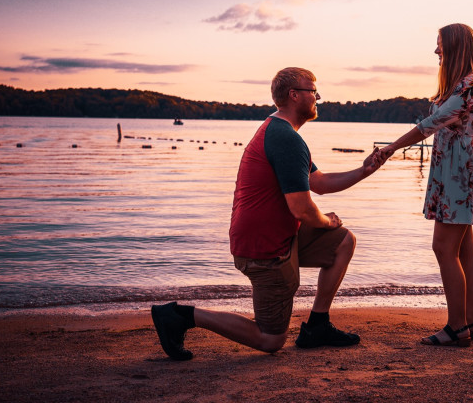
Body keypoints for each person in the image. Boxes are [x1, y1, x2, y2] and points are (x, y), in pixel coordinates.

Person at [152, 67, 386, 360]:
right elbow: (301, 208)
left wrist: (365, 169)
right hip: (263, 249)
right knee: (270, 339)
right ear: (294, 96)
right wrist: (327, 220)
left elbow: (320, 183)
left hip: (279, 236)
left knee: (343, 241)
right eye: (313, 92)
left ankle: (317, 326)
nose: (317, 97)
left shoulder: (282, 133)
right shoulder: (284, 137)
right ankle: (180, 316)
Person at [378, 23, 473, 347]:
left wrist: (390, 147)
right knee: (463, 250)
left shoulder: (472, 83)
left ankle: (457, 327)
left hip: (457, 177)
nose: (436, 50)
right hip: (451, 174)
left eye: (440, 44)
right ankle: (470, 321)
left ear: (455, 45)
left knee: (443, 248)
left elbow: (430, 125)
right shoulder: (463, 83)